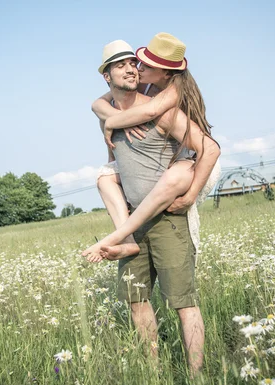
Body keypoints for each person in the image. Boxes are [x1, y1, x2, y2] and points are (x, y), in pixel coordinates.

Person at [88, 37, 220, 377]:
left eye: (134, 63)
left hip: (168, 220)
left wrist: (189, 196)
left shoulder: (162, 110)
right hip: (134, 219)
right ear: (106, 76)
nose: (131, 68)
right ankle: (154, 375)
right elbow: (114, 164)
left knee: (183, 303)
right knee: (136, 301)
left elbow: (208, 148)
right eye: (121, 64)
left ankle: (196, 379)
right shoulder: (108, 116)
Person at [82, 33, 221, 263]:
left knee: (175, 175)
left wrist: (114, 121)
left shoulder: (175, 89)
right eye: (140, 61)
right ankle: (128, 242)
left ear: (165, 72)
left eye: (146, 64)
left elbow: (149, 113)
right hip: (176, 158)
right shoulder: (145, 83)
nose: (138, 67)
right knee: (105, 177)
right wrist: (107, 114)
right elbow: (100, 102)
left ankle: (115, 236)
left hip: (197, 159)